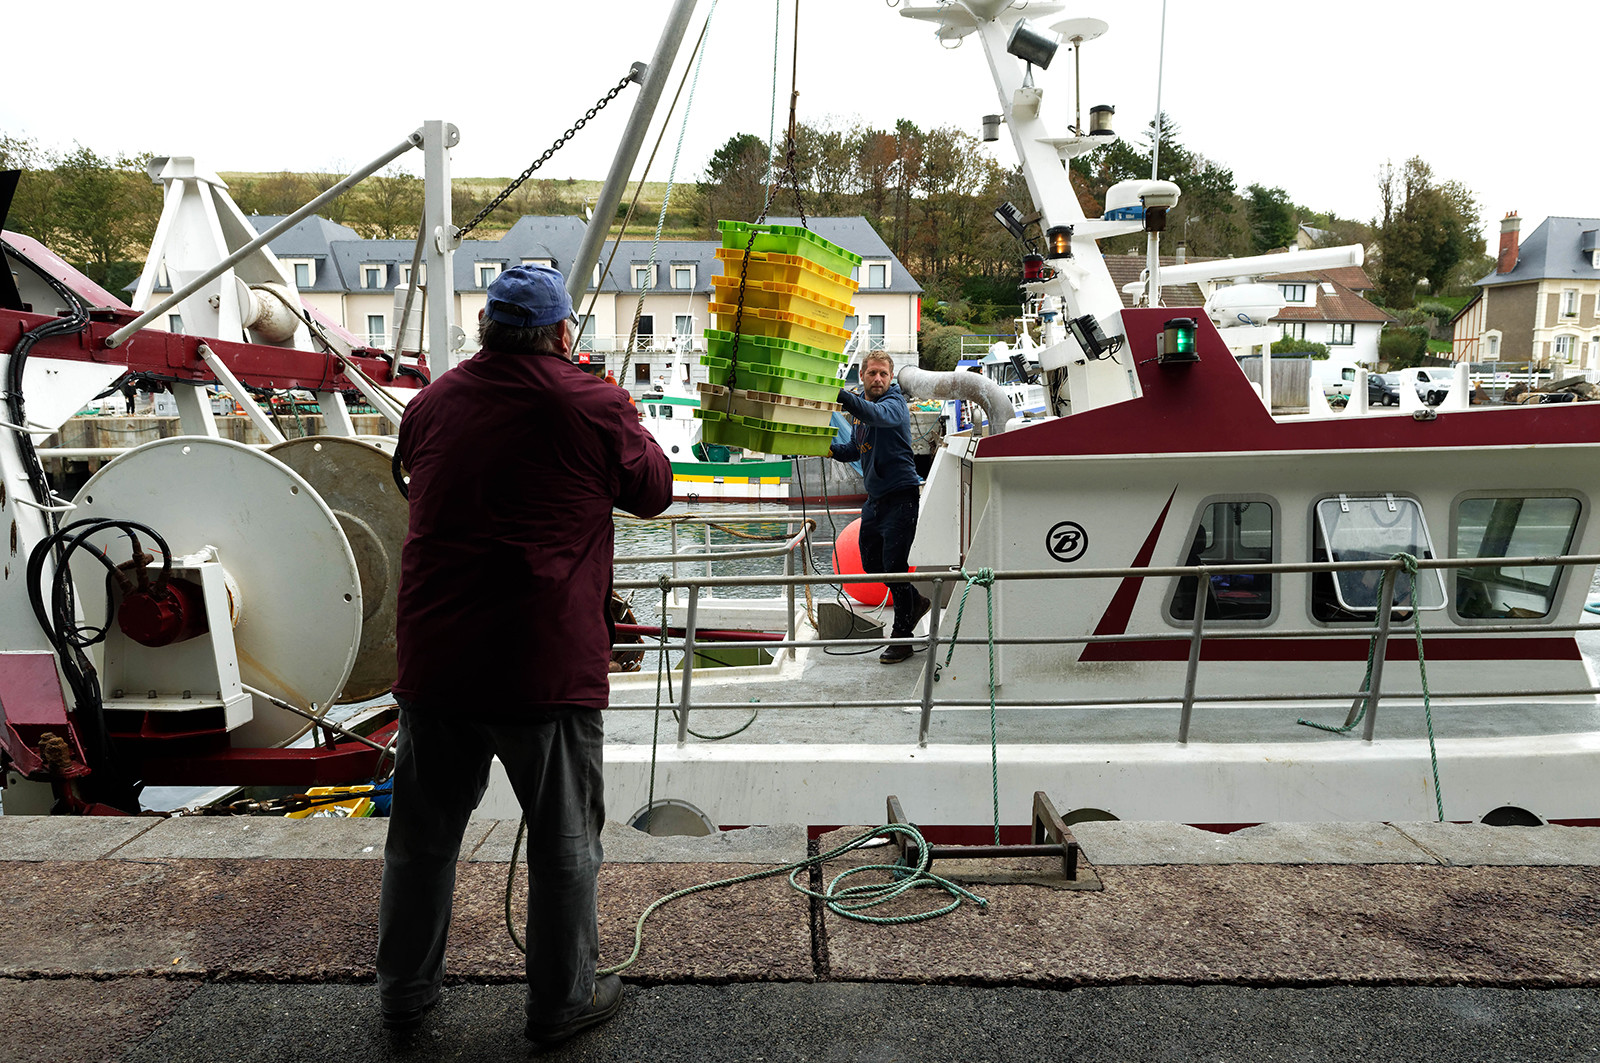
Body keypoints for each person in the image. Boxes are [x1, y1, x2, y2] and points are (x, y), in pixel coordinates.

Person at [377, 264, 672, 1048]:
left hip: (438, 654)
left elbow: (419, 482)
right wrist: (630, 422)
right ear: (562, 333)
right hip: (544, 659)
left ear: (485, 330)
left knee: (422, 836)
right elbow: (653, 491)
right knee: (565, 838)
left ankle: (404, 990)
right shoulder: (596, 403)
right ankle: (562, 998)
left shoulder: (432, 402)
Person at [828, 352, 930, 663]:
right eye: (872, 373)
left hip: (901, 495)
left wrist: (838, 394)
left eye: (884, 374)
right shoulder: (863, 409)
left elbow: (879, 417)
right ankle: (915, 601)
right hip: (875, 499)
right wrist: (824, 447)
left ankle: (902, 638)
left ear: (891, 377)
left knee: (895, 566)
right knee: (872, 564)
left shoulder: (894, 403)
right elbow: (853, 449)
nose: (878, 379)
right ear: (862, 376)